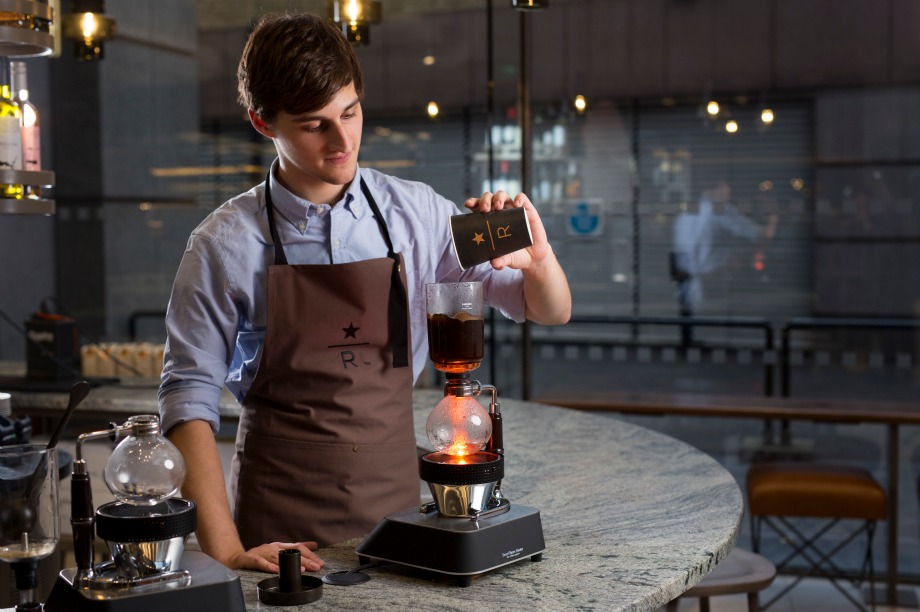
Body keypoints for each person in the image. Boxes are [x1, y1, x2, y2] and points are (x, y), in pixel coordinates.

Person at [157, 11, 571, 575]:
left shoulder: (419, 214)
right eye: (313, 124)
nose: (342, 140)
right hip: (276, 530)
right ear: (262, 122)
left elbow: (547, 308)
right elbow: (188, 398)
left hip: (400, 520)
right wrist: (226, 549)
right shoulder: (223, 244)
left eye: (350, 112)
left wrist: (539, 259)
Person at [670, 179, 776, 343]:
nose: (729, 192)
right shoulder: (720, 211)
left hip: (687, 289)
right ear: (718, 186)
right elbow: (763, 237)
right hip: (712, 285)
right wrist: (772, 219)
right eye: (727, 186)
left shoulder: (687, 213)